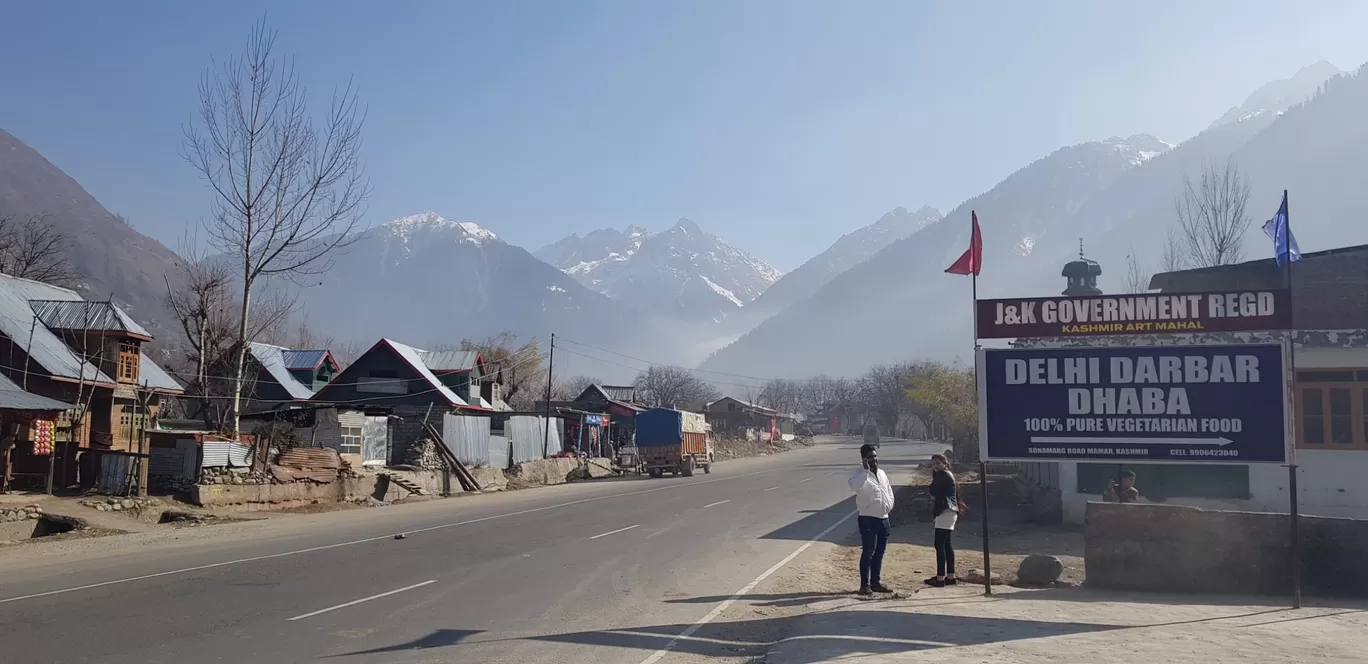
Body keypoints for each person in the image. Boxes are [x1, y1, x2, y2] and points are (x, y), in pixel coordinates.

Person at [848, 443, 895, 595]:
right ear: (863, 459)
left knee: (880, 552)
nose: (874, 459)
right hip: (868, 519)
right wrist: (865, 471)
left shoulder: (881, 473)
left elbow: (888, 490)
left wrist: (889, 506)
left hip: (883, 518)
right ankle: (864, 585)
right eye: (870, 457)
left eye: (875, 456)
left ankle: (876, 582)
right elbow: (855, 487)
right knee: (868, 552)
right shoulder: (858, 474)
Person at [926, 453, 960, 587]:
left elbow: (933, 489)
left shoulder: (942, 475)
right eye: (933, 464)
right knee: (946, 545)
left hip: (945, 512)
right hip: (951, 511)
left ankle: (940, 578)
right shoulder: (948, 474)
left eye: (938, 463)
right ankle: (950, 576)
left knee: (939, 545)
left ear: (944, 463)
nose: (935, 466)